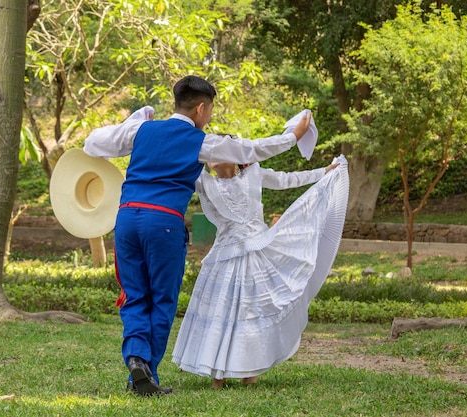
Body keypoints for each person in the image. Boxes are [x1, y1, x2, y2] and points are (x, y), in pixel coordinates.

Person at [82, 75, 313, 396]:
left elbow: (93, 142)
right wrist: (293, 136)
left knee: (133, 295)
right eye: (211, 111)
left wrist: (136, 118)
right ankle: (148, 372)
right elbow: (254, 148)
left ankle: (136, 357)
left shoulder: (141, 130)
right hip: (163, 221)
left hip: (126, 219)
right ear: (201, 108)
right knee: (161, 298)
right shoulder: (202, 141)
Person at [172, 154, 349, 389]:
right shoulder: (203, 181)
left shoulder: (253, 174)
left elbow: (286, 180)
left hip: (256, 252)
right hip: (225, 255)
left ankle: (250, 372)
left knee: (251, 310)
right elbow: (173, 174)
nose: (215, 155)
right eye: (212, 151)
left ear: (235, 157)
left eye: (223, 150)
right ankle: (218, 374)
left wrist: (322, 173)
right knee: (222, 311)